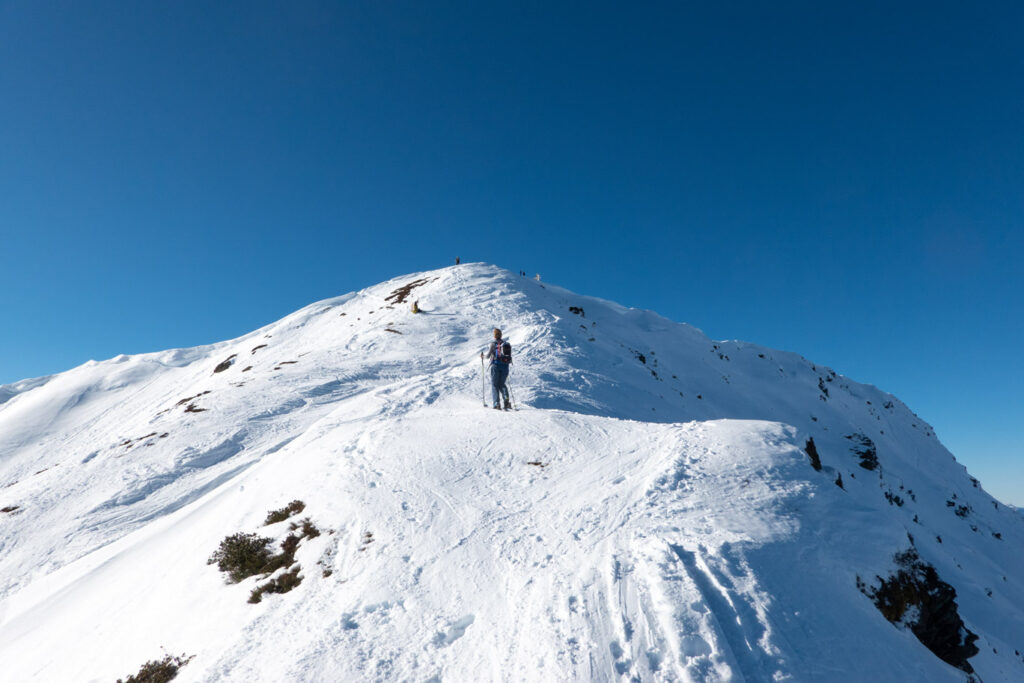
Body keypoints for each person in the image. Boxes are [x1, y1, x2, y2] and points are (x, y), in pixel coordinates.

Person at [482, 328, 511, 410]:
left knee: (495, 384)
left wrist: (482, 356)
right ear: (501, 335)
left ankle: (496, 403)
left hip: (495, 366)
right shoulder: (506, 344)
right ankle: (506, 399)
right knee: (502, 384)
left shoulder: (493, 344)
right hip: (505, 366)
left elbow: (488, 356)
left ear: (494, 335)